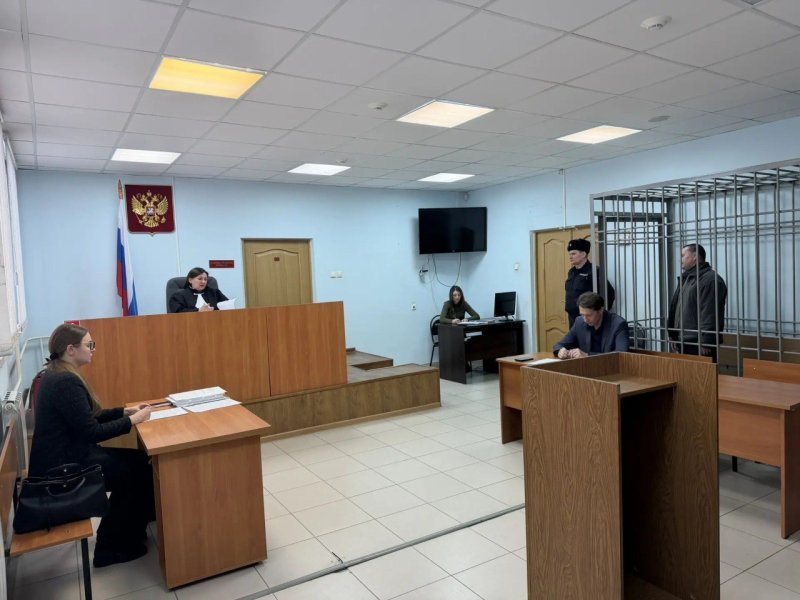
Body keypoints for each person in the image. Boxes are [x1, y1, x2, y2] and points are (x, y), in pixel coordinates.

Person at [28, 324, 155, 568]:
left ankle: (131, 528)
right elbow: (91, 432)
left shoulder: (57, 373)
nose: (93, 349)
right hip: (64, 466)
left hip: (68, 454)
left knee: (139, 462)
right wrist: (132, 421)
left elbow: (87, 418)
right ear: (71, 349)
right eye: (89, 345)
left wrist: (123, 412)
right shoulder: (65, 381)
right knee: (134, 472)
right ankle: (110, 547)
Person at [667, 243, 727, 362]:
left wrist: (706, 341)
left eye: (683, 255)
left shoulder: (709, 280)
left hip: (698, 343)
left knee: (702, 373)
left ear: (695, 256)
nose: (680, 259)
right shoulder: (688, 278)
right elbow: (676, 308)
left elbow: (710, 312)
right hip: (685, 340)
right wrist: (673, 335)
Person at [554, 292, 630, 358]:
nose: (585, 319)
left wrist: (588, 355)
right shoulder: (579, 322)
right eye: (582, 315)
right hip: (585, 367)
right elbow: (558, 345)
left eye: (589, 315)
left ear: (601, 310)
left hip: (610, 368)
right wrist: (560, 350)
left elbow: (621, 355)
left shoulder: (618, 324)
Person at [564, 239, 615, 327]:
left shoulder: (593, 271)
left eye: (573, 254)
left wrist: (598, 313)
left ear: (583, 254)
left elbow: (609, 293)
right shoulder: (571, 272)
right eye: (570, 254)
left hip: (588, 318)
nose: (570, 257)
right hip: (573, 318)